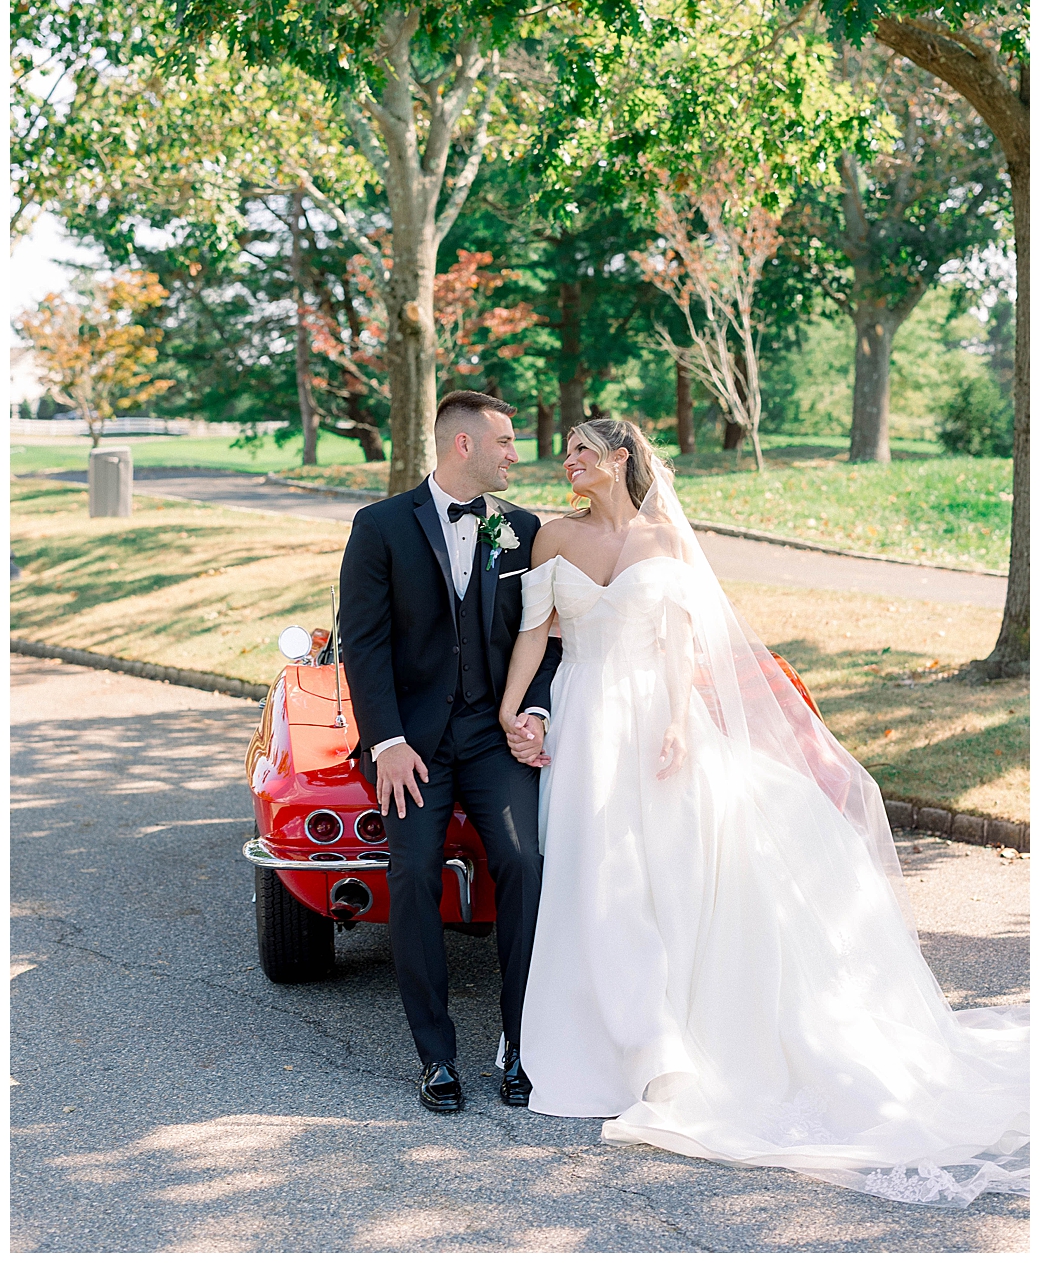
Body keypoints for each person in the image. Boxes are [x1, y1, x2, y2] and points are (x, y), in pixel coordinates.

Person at [498, 417, 1029, 1208]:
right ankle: (620, 1043)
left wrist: (679, 720)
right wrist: (516, 712)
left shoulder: (666, 542)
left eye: (580, 448)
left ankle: (684, 1036)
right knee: (592, 875)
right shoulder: (550, 540)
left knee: (671, 870)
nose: (564, 460)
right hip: (583, 717)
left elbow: (680, 645)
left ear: (618, 459)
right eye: (565, 449)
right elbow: (534, 637)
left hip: (653, 716)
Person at [339, 390, 561, 1114]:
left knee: (525, 863)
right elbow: (363, 646)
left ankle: (522, 1043)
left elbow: (548, 641)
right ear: (463, 446)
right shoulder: (378, 528)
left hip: (494, 736)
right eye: (504, 442)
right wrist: (389, 744)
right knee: (411, 875)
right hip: (414, 744)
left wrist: (533, 712)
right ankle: (435, 1056)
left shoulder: (524, 530)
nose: (514, 455)